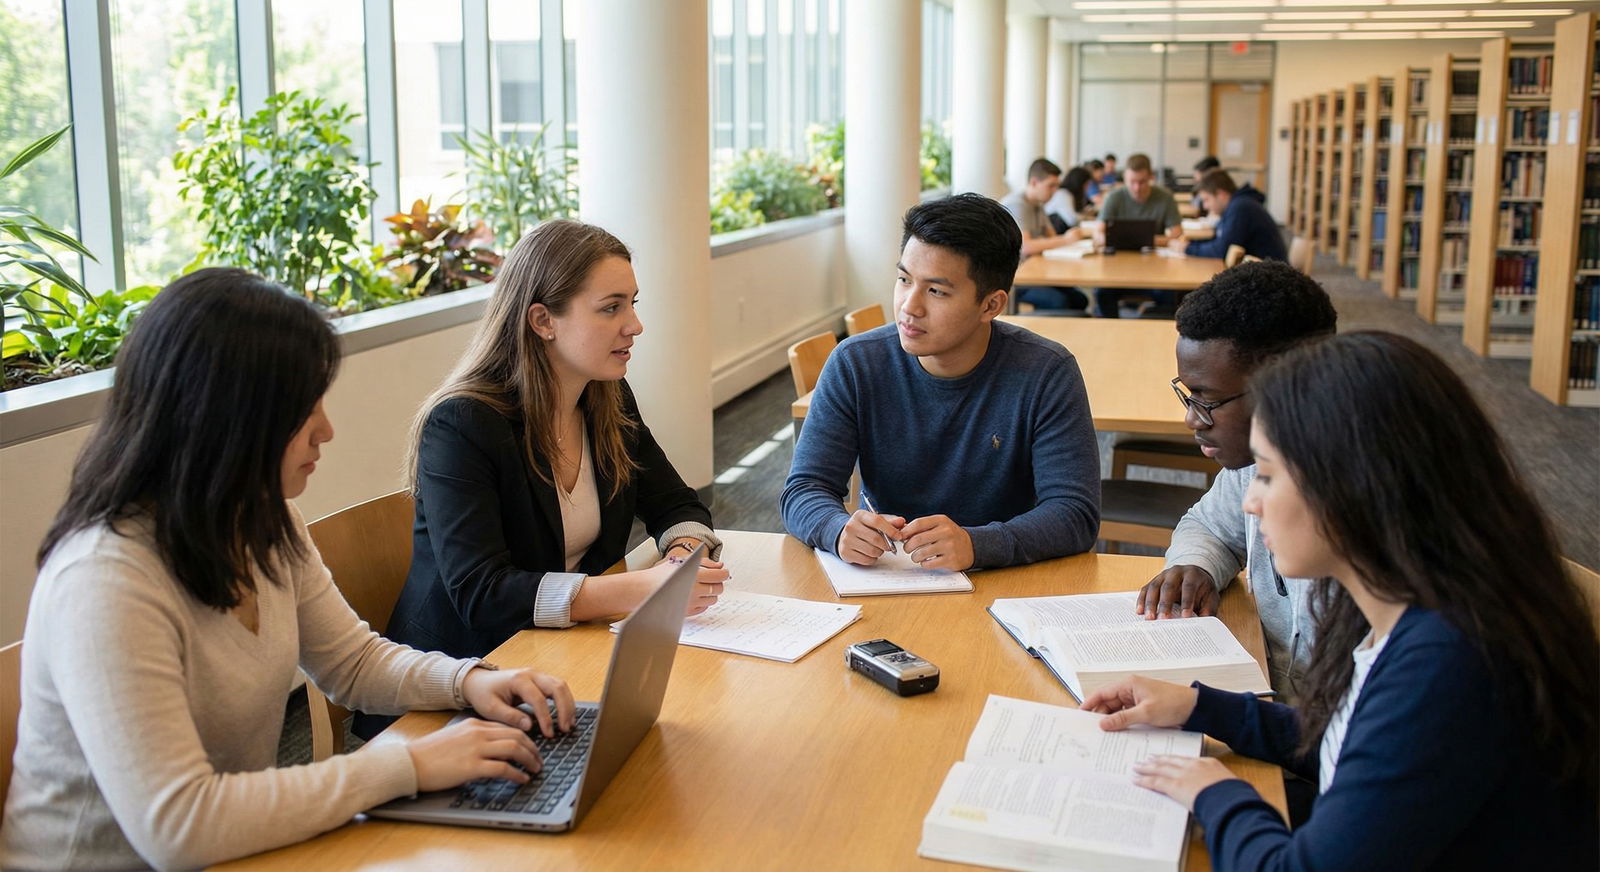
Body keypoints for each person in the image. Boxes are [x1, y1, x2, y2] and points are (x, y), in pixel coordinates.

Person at [0, 269, 580, 870]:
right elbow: (177, 827)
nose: (326, 431)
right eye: (302, 410)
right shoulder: (104, 580)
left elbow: (353, 663)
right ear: (222, 421)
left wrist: (469, 682)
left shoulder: (266, 522)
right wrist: (409, 764)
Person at [1084, 332, 1599, 871]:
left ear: (1353, 485)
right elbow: (1352, 738)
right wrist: (1199, 707)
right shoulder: (1412, 600)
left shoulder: (1448, 661)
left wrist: (1217, 792)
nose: (1252, 503)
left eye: (1266, 474)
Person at [385, 220, 729, 665]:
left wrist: (682, 559)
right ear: (543, 320)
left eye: (633, 304)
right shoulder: (462, 424)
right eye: (611, 308)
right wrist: (635, 588)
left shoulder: (606, 398)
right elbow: (481, 594)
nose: (636, 325)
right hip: (463, 669)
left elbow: (676, 504)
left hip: (561, 649)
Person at [780, 193, 1101, 571]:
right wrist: (835, 528)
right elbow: (804, 490)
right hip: (889, 576)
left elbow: (1075, 513)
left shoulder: (1046, 371)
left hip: (1005, 580)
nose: (909, 307)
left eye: (936, 291)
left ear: (991, 305)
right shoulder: (856, 363)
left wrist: (977, 544)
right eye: (904, 280)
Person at [1136, 261, 1336, 705]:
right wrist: (1197, 563)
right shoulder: (1258, 455)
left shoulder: (1363, 526)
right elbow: (1209, 525)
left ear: (1285, 380)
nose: (1191, 417)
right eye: (1188, 395)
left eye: (1207, 399)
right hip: (1276, 706)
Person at [1095, 153, 1185, 317]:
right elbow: (1098, 233)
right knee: (1102, 292)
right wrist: (1120, 240)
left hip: (1156, 268)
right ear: (1125, 178)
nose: (1137, 187)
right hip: (1117, 268)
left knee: (1169, 294)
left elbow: (1177, 235)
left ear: (1151, 177)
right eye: (1132, 182)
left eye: (1142, 182)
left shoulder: (1165, 197)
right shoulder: (1114, 197)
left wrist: (1144, 240)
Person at [1001, 157, 1089, 312]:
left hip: (1036, 270)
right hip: (1016, 278)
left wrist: (1054, 240)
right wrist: (1066, 239)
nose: (1055, 191)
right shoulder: (1017, 205)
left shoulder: (1038, 204)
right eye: (1051, 186)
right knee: (1060, 302)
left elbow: (1051, 236)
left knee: (1079, 299)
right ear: (1034, 182)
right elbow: (1026, 247)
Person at [1173, 169, 1287, 262]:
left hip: (1271, 278)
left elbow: (1222, 250)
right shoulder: (1238, 204)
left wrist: (1188, 249)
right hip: (1263, 271)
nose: (1205, 206)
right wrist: (1192, 244)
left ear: (1221, 194)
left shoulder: (1241, 208)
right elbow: (1219, 240)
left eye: (1207, 200)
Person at [1045, 166, 1093, 235]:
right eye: (1086, 184)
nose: (1087, 187)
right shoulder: (1063, 194)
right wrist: (1088, 218)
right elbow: (1072, 220)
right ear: (1079, 183)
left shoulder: (1069, 195)